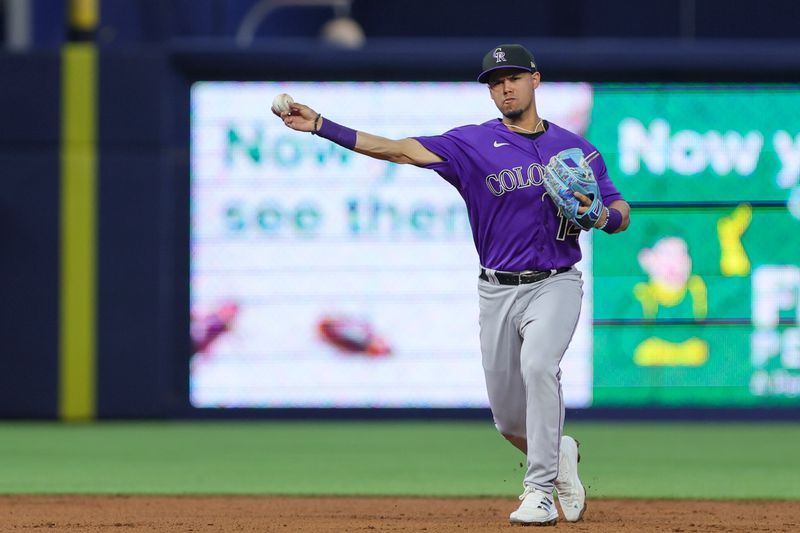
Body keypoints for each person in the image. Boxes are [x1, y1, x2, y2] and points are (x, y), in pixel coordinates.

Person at [273, 43, 631, 526]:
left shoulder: (576, 148)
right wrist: (321, 126)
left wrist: (602, 216)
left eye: (513, 77)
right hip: (497, 289)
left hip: (555, 283)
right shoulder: (471, 144)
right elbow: (398, 149)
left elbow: (619, 211)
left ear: (535, 80)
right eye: (494, 81)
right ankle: (558, 451)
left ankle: (540, 490)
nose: (504, 87)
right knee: (508, 420)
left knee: (539, 365)